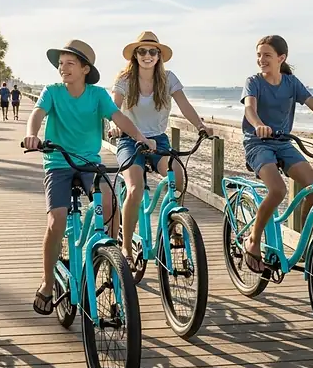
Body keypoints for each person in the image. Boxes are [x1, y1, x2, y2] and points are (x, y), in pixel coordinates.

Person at [22, 39, 156, 316]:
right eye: (61, 64)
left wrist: (140, 137)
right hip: (58, 162)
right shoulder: (53, 92)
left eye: (70, 63)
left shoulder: (97, 95)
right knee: (56, 219)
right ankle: (47, 283)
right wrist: (32, 134)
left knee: (110, 204)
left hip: (88, 162)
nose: (63, 68)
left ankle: (109, 257)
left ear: (85, 69)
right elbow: (37, 113)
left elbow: (119, 117)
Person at [241, 35, 313, 272]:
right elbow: (249, 108)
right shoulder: (253, 81)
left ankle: (304, 245)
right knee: (278, 189)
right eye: (259, 55)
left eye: (267, 55)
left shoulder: (292, 83)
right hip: (258, 143)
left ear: (281, 58)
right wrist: (258, 125)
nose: (261, 59)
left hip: (284, 143)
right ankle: (253, 240)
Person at [110, 31, 210, 263]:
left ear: (159, 56)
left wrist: (200, 125)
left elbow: (184, 105)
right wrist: (115, 127)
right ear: (135, 55)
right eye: (142, 51)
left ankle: (174, 223)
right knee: (135, 189)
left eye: (152, 51)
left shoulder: (168, 78)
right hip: (129, 139)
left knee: (178, 177)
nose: (147, 55)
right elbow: (113, 106)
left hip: (158, 140)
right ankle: (125, 247)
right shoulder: (125, 79)